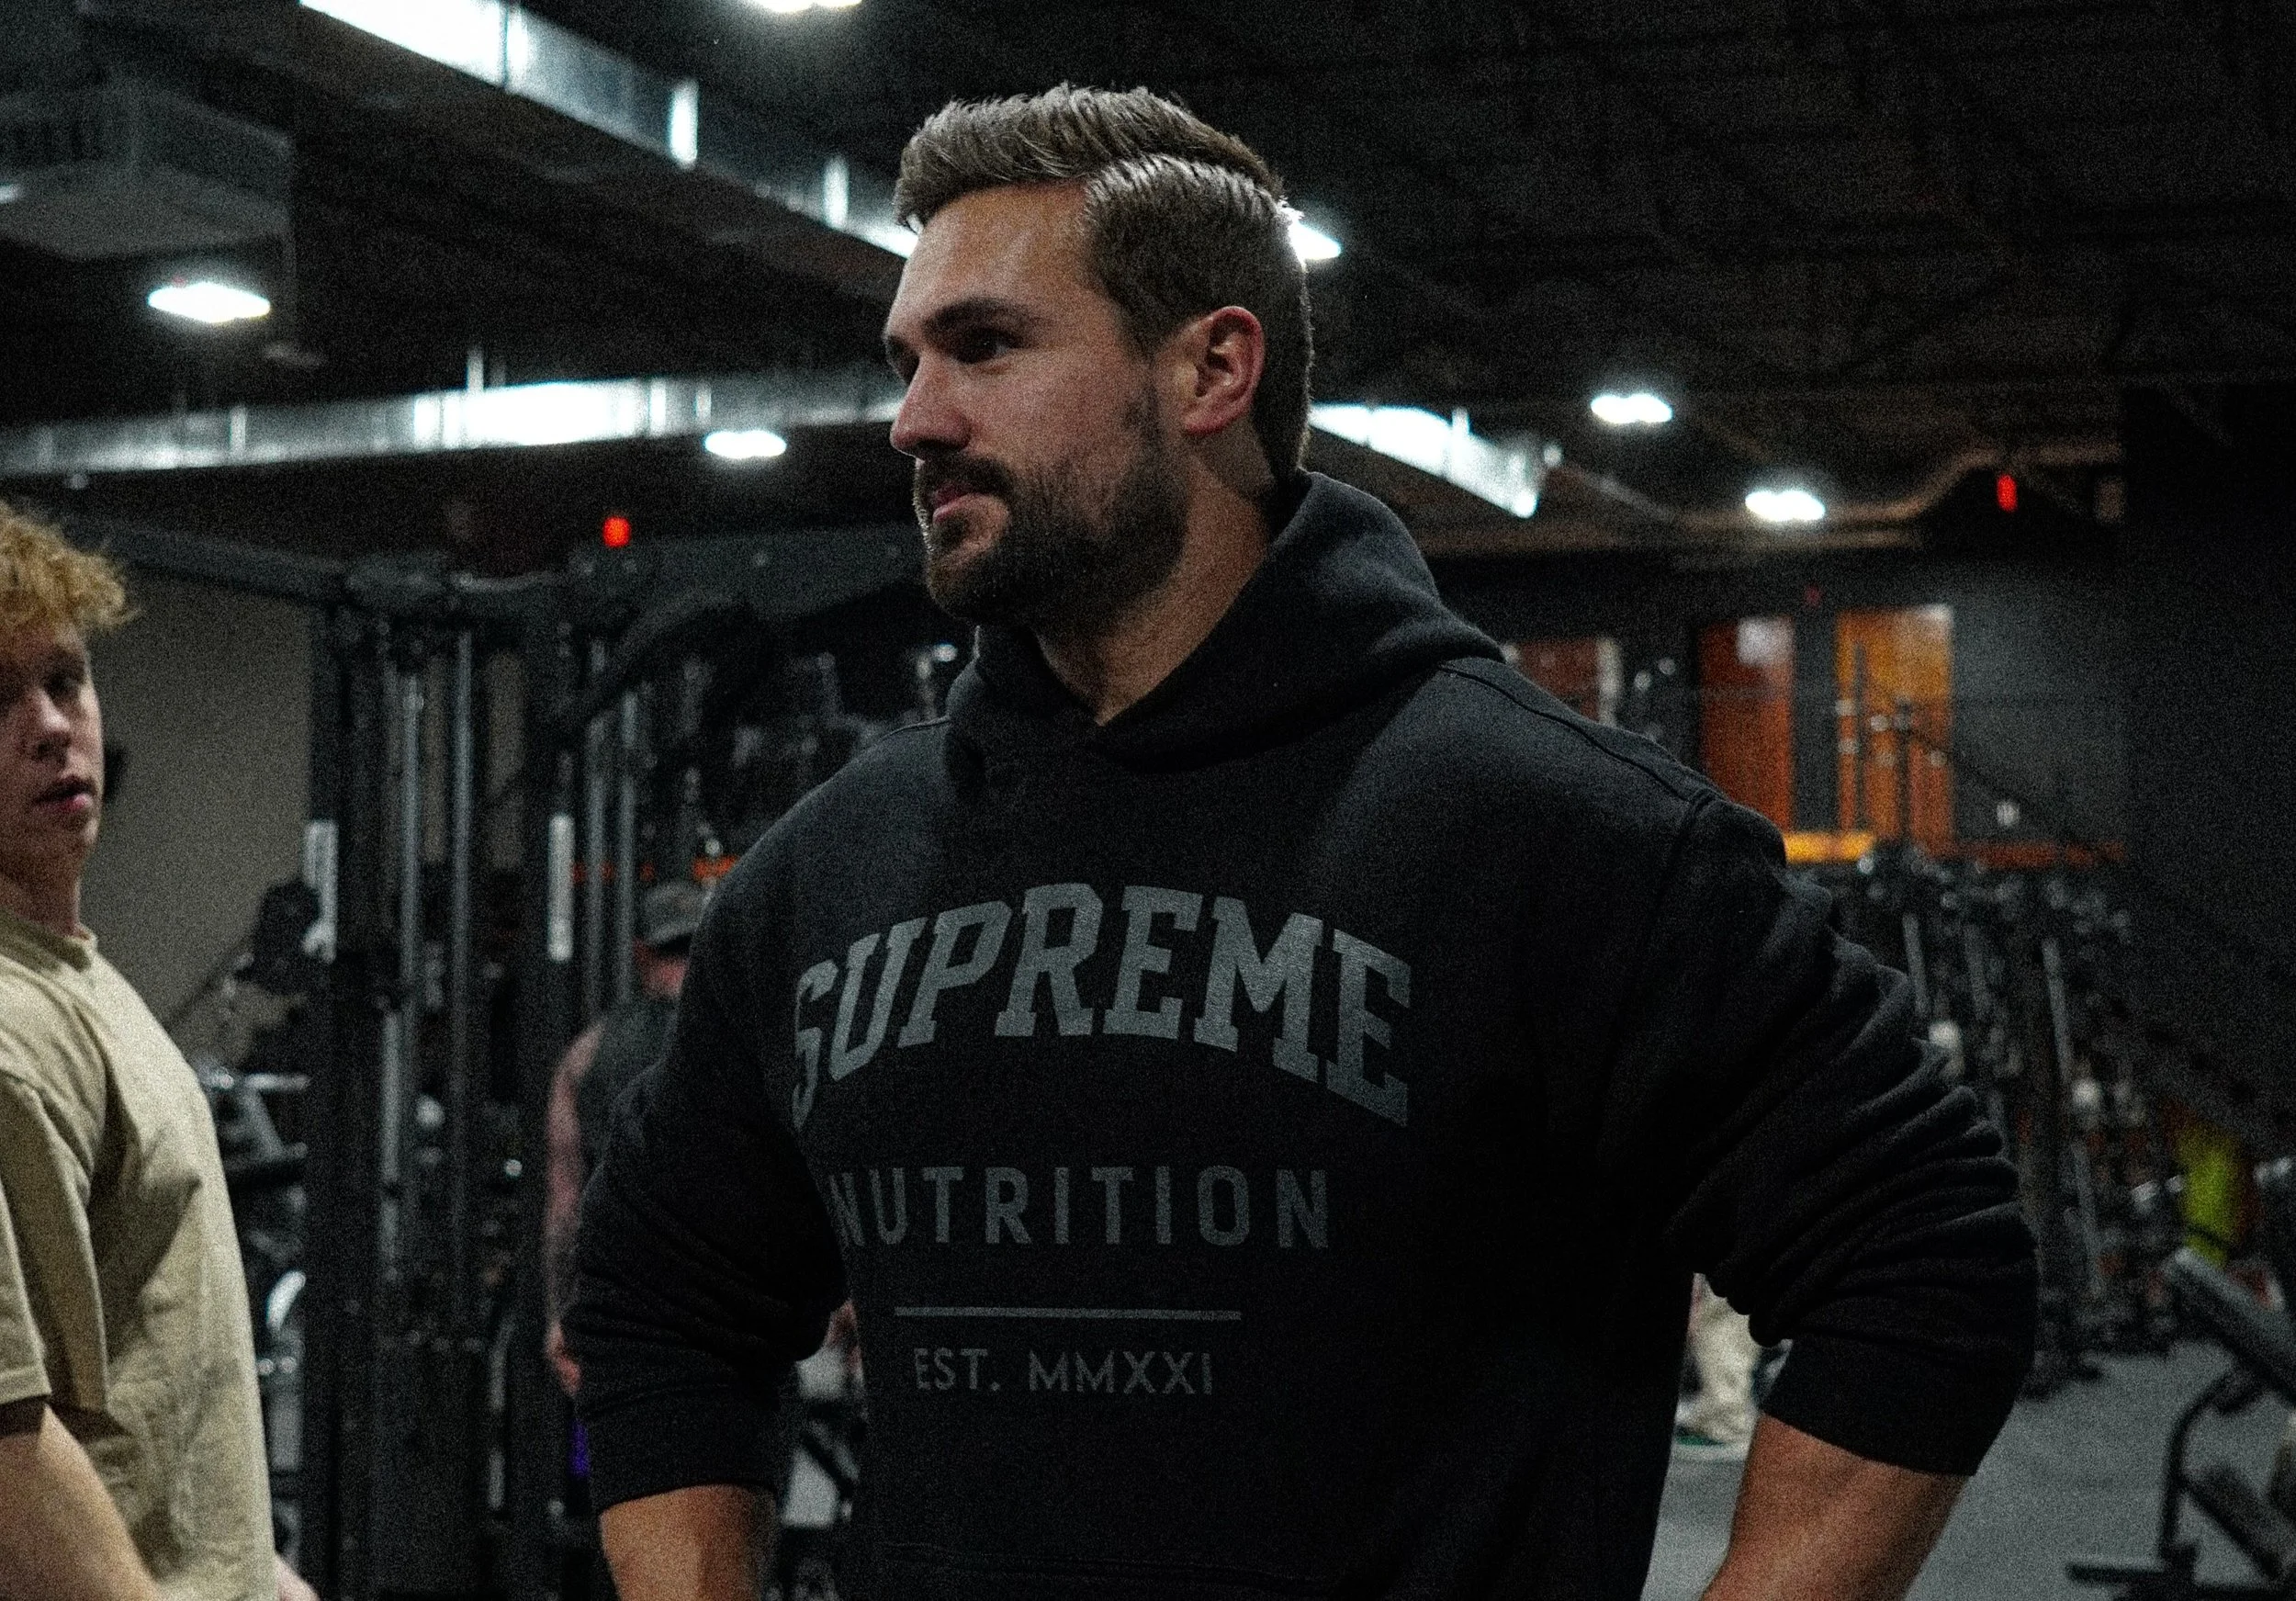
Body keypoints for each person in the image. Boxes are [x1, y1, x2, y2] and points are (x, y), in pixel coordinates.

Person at [566, 86, 2037, 1601]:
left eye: (986, 346)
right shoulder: (830, 868)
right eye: (910, 360)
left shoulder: (1554, 831)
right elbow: (658, 1295)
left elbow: (1925, 1257)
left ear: (1213, 367)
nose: (916, 418)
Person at [0, 502, 316, 1601]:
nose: (49, 725)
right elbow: (8, 1454)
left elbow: (150, 1396)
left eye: (65, 679)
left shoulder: (77, 979)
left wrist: (255, 1576)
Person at [543, 878, 708, 1397]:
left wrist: (562, 1317)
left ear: (641, 954)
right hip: (733, 1317)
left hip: (627, 1312)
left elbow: (565, 1205)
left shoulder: (587, 1055)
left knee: (633, 1474)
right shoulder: (753, 1043)